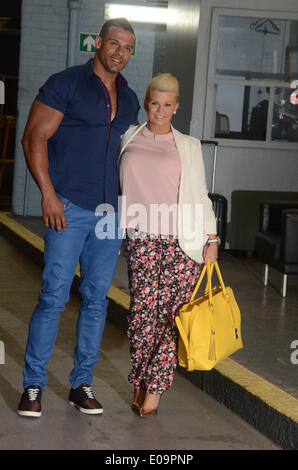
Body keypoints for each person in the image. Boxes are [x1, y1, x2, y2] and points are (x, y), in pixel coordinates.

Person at [17, 18, 139, 418]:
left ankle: (80, 383)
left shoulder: (130, 97)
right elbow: (34, 137)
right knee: (53, 294)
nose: (119, 52)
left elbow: (133, 156)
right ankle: (33, 385)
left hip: (109, 211)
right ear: (99, 43)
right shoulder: (65, 83)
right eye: (114, 44)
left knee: (96, 299)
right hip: (68, 206)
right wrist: (48, 196)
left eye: (127, 48)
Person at [118, 73, 219, 417]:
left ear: (176, 107)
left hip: (182, 242)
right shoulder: (128, 136)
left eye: (167, 104)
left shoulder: (188, 146)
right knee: (141, 315)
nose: (160, 110)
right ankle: (140, 377)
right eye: (154, 103)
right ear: (146, 103)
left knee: (173, 318)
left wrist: (212, 238)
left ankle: (155, 390)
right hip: (140, 240)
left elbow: (201, 195)